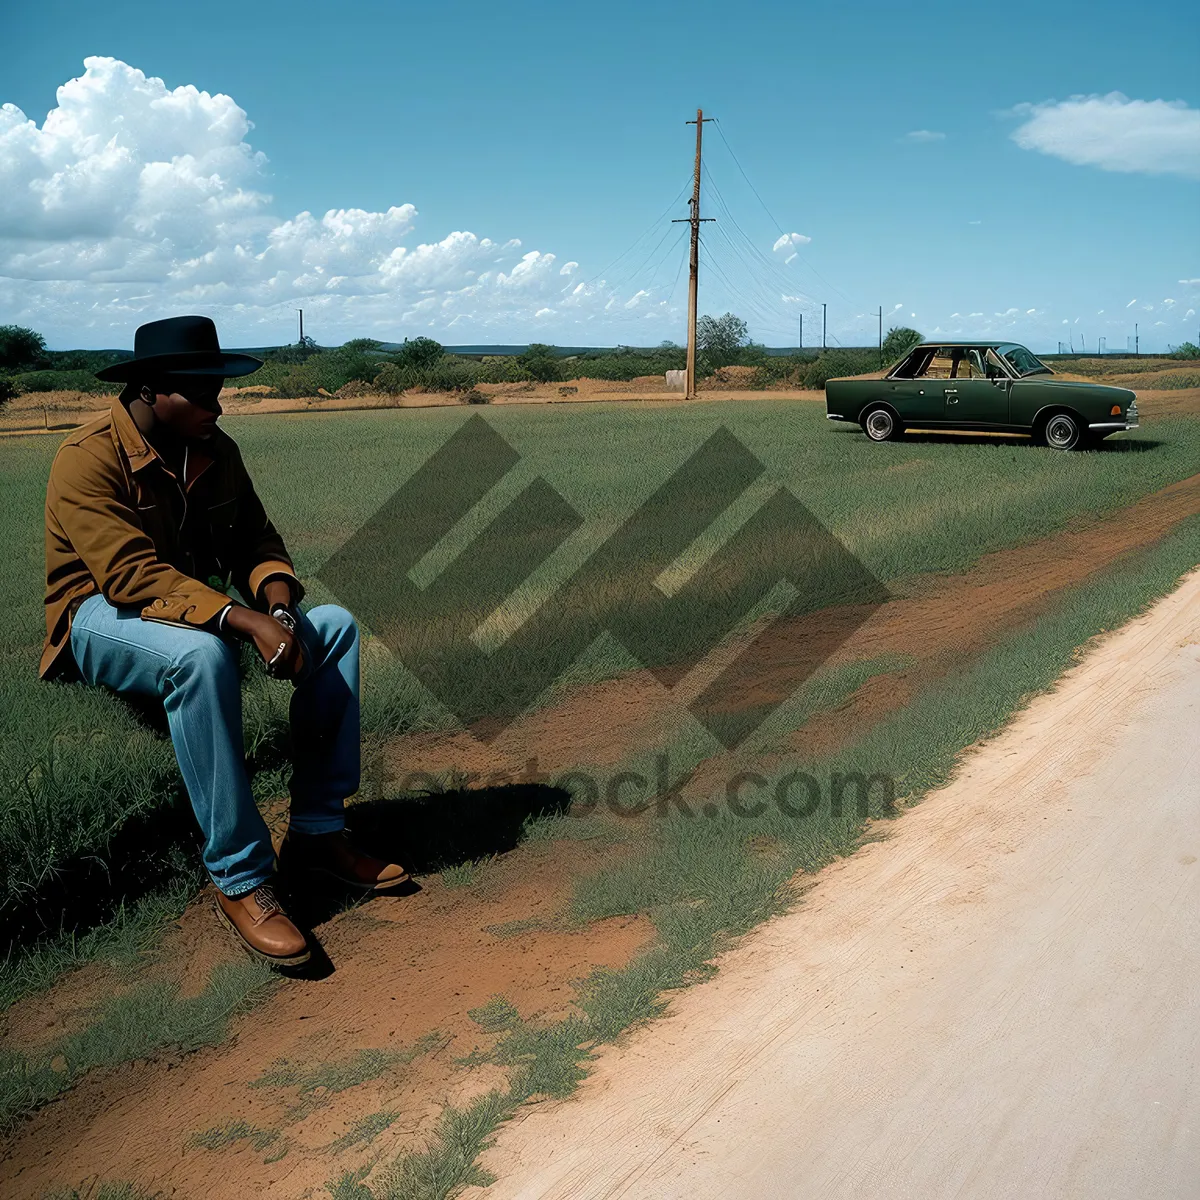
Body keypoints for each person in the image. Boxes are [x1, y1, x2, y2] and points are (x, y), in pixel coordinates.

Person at [40, 315, 407, 968]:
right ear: (151, 389)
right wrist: (242, 621)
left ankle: (318, 834)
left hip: (189, 608)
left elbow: (256, 542)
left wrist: (278, 605)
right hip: (96, 618)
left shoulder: (216, 450)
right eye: (201, 390)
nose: (217, 402)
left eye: (219, 388)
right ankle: (240, 878)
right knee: (201, 656)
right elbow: (129, 577)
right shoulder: (87, 456)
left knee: (338, 627)